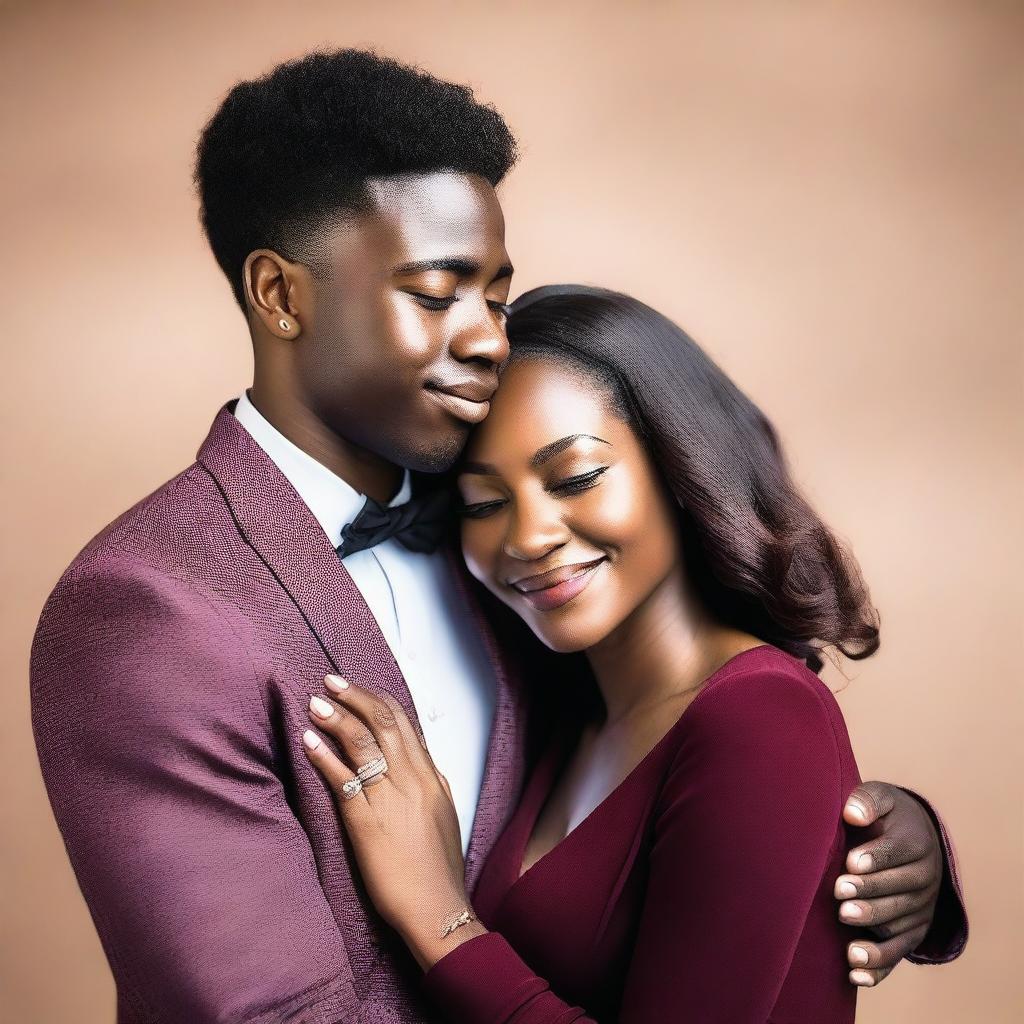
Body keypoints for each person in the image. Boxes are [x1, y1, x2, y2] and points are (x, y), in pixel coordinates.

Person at [30, 52, 965, 1024]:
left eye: (495, 296)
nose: (484, 337)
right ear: (280, 294)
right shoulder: (152, 602)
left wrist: (865, 843)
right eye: (436, 295)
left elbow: (721, 766)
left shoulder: (505, 556)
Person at [299, 284, 962, 1021]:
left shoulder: (760, 714)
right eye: (484, 504)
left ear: (681, 468)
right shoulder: (567, 711)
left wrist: (437, 916)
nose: (528, 536)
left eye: (577, 478)